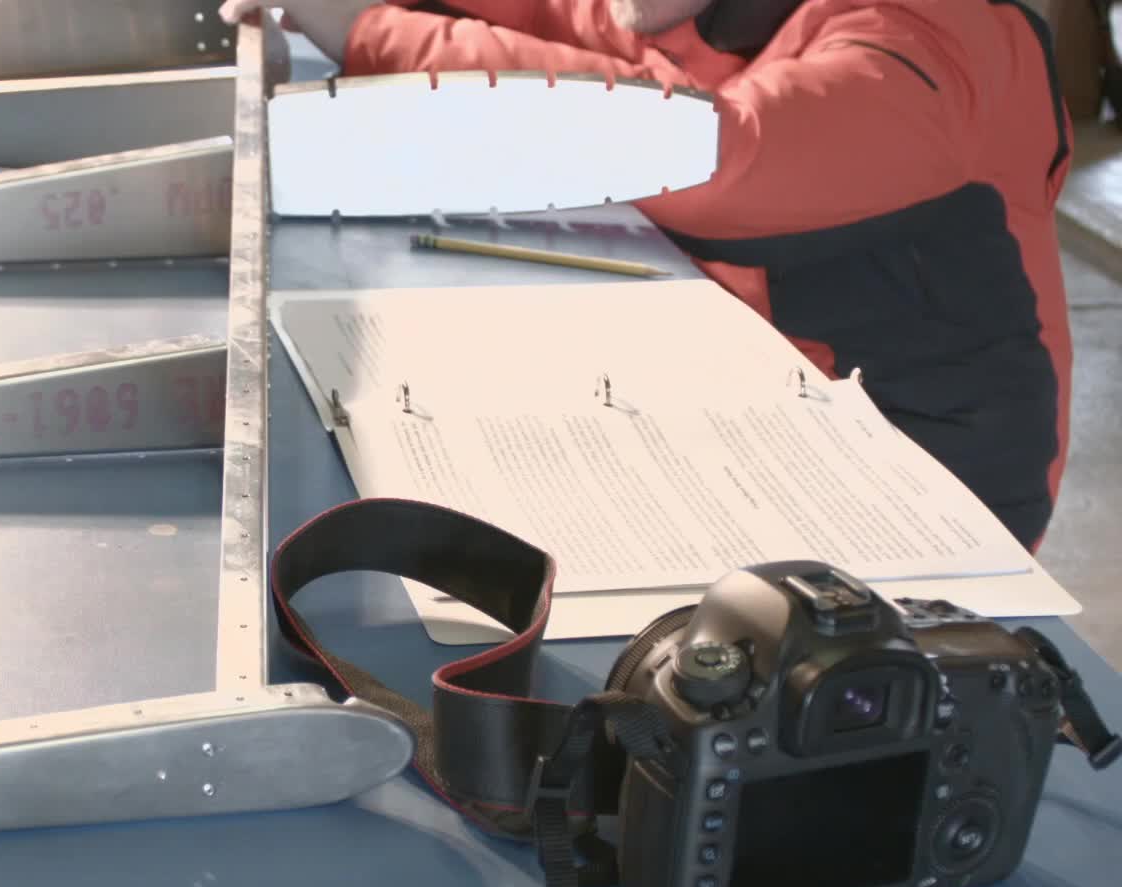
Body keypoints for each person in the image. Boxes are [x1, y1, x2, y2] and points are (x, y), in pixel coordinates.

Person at [221, 0, 1074, 550]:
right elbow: (575, 19)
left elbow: (717, 151)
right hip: (793, 416)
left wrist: (371, 31)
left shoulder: (931, 36)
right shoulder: (731, 13)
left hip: (930, 494)